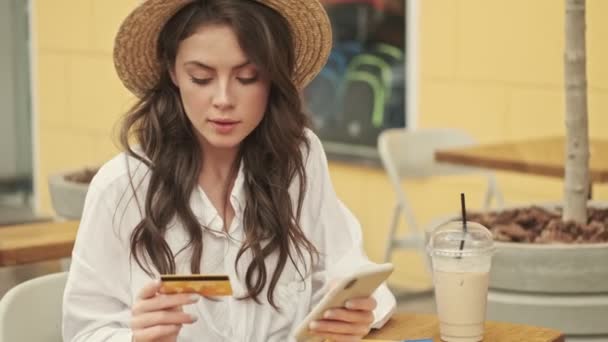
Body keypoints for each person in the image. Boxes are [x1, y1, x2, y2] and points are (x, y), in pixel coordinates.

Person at [62, 0, 396, 341]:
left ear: (272, 77)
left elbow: (346, 268)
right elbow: (85, 330)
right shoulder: (122, 187)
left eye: (247, 77)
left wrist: (352, 312)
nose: (223, 98)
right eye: (201, 78)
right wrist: (136, 338)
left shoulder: (298, 157)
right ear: (173, 72)